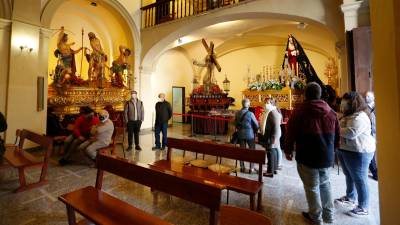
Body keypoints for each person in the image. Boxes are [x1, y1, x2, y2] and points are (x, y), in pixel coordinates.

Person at [285, 82, 339, 225]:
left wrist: (288, 150)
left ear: (305, 95)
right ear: (320, 94)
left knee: (312, 187)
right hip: (326, 156)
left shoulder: (299, 112)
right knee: (325, 184)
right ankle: (329, 216)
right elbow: (337, 135)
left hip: (307, 156)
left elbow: (290, 133)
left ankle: (316, 217)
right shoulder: (331, 112)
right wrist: (333, 150)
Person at [335, 92, 376, 216]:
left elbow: (351, 133)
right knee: (349, 175)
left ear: (353, 103)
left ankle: (363, 206)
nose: (343, 104)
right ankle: (350, 197)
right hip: (346, 149)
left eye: (346, 102)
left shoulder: (360, 116)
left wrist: (335, 128)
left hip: (359, 151)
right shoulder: (348, 115)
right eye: (343, 101)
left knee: (360, 178)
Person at [235, 98, 259, 173]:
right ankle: (251, 168)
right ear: (248, 105)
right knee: (252, 151)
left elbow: (236, 124)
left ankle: (242, 167)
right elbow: (256, 124)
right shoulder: (250, 113)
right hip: (250, 134)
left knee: (242, 151)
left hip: (241, 134)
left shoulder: (237, 113)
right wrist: (256, 130)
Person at [262, 99, 282, 177]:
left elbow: (270, 126)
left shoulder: (270, 113)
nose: (265, 105)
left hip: (272, 136)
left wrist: (273, 137)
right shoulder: (276, 112)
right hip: (276, 135)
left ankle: (270, 171)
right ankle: (275, 168)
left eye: (267, 104)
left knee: (270, 153)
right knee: (274, 151)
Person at [364, 91, 378, 181]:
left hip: (376, 133)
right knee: (371, 153)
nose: (366, 97)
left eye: (368, 96)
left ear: (373, 97)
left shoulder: (376, 107)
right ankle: (375, 172)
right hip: (369, 134)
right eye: (365, 96)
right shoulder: (365, 108)